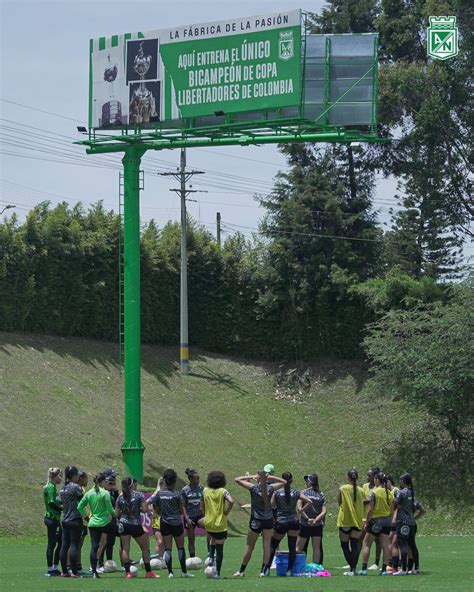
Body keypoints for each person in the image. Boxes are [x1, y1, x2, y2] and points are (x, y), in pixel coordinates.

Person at [233, 469, 286, 578]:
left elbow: (237, 479)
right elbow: (284, 482)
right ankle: (263, 571)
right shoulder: (270, 488)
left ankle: (241, 571)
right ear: (266, 479)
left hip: (256, 520)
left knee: (249, 546)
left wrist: (253, 476)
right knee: (266, 546)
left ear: (258, 478)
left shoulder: (253, 488)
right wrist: (271, 477)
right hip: (268, 520)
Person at [149, 468, 193, 579]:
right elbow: (181, 509)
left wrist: (160, 512)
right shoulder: (176, 494)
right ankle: (184, 572)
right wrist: (184, 517)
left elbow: (155, 506)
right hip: (176, 523)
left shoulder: (159, 494)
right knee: (180, 547)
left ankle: (170, 573)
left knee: (168, 548)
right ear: (174, 481)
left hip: (164, 523)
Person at [267, 472, 312, 576]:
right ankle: (290, 570)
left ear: (281, 480)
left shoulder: (277, 493)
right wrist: (300, 511)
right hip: (293, 521)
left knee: (273, 545)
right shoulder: (296, 492)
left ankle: (267, 569)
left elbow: (271, 505)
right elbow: (309, 501)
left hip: (281, 521)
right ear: (292, 481)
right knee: (292, 547)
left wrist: (275, 514)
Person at [116, 477, 159, 579]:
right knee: (145, 548)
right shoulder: (139, 495)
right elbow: (144, 509)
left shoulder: (120, 497)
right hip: (135, 524)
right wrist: (135, 509)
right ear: (132, 485)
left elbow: (116, 514)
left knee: (125, 549)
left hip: (123, 524)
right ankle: (148, 572)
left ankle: (128, 573)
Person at [77, 472, 116, 579]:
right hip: (104, 522)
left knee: (94, 546)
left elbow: (80, 507)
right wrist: (115, 516)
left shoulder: (89, 493)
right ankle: (126, 564)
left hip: (93, 523)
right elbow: (110, 509)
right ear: (103, 482)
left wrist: (86, 518)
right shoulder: (105, 493)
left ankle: (94, 572)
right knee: (122, 532)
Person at [198, 471, 234, 579]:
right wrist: (226, 512)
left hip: (209, 523)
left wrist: (206, 515)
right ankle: (217, 573)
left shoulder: (205, 490)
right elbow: (231, 501)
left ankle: (210, 560)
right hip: (220, 524)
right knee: (220, 548)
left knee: (212, 539)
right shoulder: (223, 491)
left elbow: (201, 507)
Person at [360, 472, 394, 576]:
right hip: (387, 522)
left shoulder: (374, 493)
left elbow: (370, 509)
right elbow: (392, 510)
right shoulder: (390, 493)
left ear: (377, 480)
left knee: (366, 544)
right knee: (385, 546)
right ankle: (384, 570)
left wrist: (366, 521)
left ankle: (364, 569)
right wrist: (390, 521)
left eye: (375, 479)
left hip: (375, 521)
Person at [393, 473, 426, 576]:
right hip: (412, 524)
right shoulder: (412, 493)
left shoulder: (401, 492)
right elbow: (422, 510)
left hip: (402, 523)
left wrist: (396, 505)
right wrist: (414, 518)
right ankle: (416, 568)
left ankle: (403, 569)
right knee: (412, 545)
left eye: (400, 480)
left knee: (402, 544)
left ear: (403, 481)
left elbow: (394, 503)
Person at [337, 468, 364, 576]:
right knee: (355, 545)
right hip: (357, 521)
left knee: (344, 545)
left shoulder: (343, 488)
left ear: (348, 477)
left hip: (345, 521)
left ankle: (352, 567)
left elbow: (339, 502)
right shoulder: (361, 490)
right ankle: (354, 569)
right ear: (357, 478)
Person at [296, 474, 327, 565]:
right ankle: (316, 567)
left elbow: (299, 508)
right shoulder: (321, 494)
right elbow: (324, 511)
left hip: (305, 524)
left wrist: (307, 519)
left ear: (310, 482)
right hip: (317, 525)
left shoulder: (303, 492)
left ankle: (296, 567)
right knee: (316, 548)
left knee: (298, 547)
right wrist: (316, 520)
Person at [59, 465, 83, 578]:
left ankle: (64, 571)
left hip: (65, 518)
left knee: (64, 545)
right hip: (75, 518)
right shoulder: (75, 487)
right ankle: (74, 571)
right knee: (74, 545)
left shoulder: (62, 487)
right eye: (77, 475)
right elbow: (82, 499)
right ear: (74, 476)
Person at [181, 468, 206, 558]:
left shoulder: (202, 488)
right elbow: (182, 506)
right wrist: (187, 518)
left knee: (210, 530)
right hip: (190, 517)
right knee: (191, 540)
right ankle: (192, 558)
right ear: (191, 479)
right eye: (196, 478)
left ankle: (210, 554)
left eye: (198, 478)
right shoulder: (185, 490)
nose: (198, 480)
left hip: (200, 516)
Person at [98, 468, 119, 571]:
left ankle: (110, 563)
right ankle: (100, 564)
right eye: (113, 476)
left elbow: (117, 504)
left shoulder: (114, 491)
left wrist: (116, 492)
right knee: (102, 543)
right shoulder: (102, 491)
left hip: (112, 519)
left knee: (111, 542)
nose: (114, 479)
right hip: (103, 520)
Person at [43, 467, 63, 577]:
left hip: (53, 519)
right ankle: (50, 569)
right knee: (52, 543)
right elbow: (51, 503)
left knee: (60, 541)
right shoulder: (50, 487)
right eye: (60, 476)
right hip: (52, 519)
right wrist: (62, 508)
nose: (61, 478)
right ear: (55, 477)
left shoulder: (53, 487)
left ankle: (55, 567)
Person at [362, 466, 382, 570]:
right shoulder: (365, 486)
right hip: (364, 517)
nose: (367, 477)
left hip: (374, 518)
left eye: (369, 475)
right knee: (360, 540)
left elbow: (372, 501)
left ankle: (376, 563)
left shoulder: (379, 488)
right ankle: (354, 562)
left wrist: (366, 501)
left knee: (377, 541)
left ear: (375, 476)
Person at [76, 471, 89, 575]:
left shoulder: (82, 489)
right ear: (81, 479)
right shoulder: (78, 489)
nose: (87, 481)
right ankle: (74, 567)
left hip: (83, 521)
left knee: (79, 545)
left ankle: (77, 566)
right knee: (76, 545)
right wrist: (85, 517)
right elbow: (79, 507)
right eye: (86, 478)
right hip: (80, 520)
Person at [149, 477, 165, 558]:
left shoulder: (164, 493)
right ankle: (155, 559)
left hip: (164, 521)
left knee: (164, 542)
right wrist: (152, 513)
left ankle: (161, 560)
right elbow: (146, 502)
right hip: (157, 521)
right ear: (162, 484)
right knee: (160, 541)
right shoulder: (156, 494)